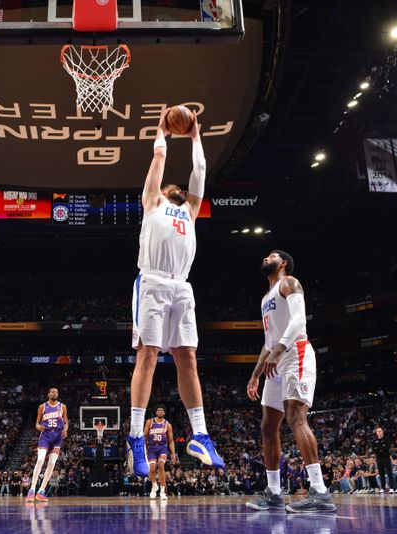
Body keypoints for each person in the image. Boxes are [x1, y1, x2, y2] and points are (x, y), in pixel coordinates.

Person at [127, 109, 223, 479]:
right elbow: (159, 158)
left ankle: (200, 434)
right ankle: (136, 436)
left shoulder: (191, 209)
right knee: (148, 356)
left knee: (188, 358)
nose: (178, 186)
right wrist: (162, 132)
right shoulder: (153, 201)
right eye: (173, 186)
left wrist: (196, 136)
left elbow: (199, 172)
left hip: (182, 286)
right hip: (151, 283)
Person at [246, 251, 336, 513]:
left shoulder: (289, 282)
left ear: (282, 263)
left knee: (296, 416)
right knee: (267, 424)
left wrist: (278, 351)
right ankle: (274, 492)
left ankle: (319, 491)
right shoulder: (265, 298)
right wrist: (255, 374)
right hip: (275, 358)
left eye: (271, 256)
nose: (265, 258)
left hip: (294, 351)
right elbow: (268, 342)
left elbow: (298, 320)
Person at [25, 388, 68, 503]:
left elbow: (65, 422)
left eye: (56, 392)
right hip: (45, 436)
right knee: (40, 460)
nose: (55, 393)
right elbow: (37, 423)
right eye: (53, 392)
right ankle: (32, 489)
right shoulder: (42, 406)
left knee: (52, 463)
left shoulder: (62, 406)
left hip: (57, 437)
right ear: (48, 394)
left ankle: (41, 491)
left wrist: (66, 429)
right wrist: (38, 426)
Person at [145, 405, 176, 500]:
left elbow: (170, 441)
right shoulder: (150, 422)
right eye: (158, 410)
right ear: (156, 412)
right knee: (152, 468)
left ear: (164, 413)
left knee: (161, 465)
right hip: (151, 448)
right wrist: (144, 449)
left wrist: (173, 455)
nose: (160, 411)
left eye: (162, 410)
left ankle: (162, 492)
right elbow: (144, 436)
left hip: (162, 448)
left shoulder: (167, 424)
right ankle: (154, 486)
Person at [372, 427, 397, 493]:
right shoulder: (374, 440)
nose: (379, 432)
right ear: (376, 433)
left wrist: (379, 449)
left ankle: (391, 488)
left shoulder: (386, 439)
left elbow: (386, 447)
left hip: (386, 458)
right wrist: (380, 449)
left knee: (389, 473)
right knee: (381, 474)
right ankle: (382, 488)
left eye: (380, 431)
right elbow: (374, 450)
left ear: (382, 432)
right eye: (377, 431)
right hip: (379, 459)